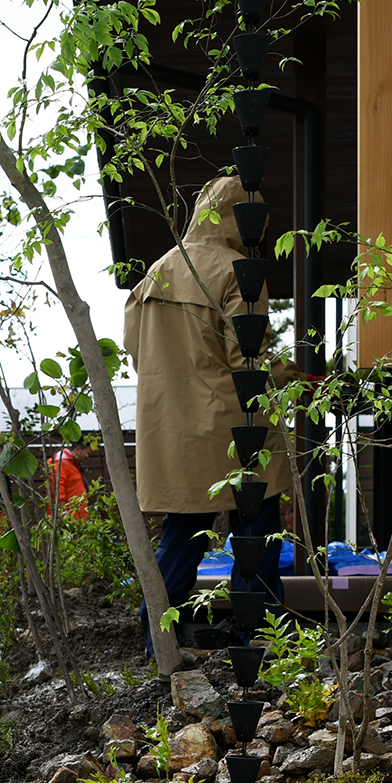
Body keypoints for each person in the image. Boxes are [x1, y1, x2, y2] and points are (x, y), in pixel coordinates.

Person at [124, 173, 292, 650]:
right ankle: (258, 641)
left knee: (181, 536)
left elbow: (136, 351)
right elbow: (249, 364)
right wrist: (290, 372)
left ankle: (159, 641)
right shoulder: (240, 272)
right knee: (254, 539)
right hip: (237, 432)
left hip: (170, 430)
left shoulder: (156, 271)